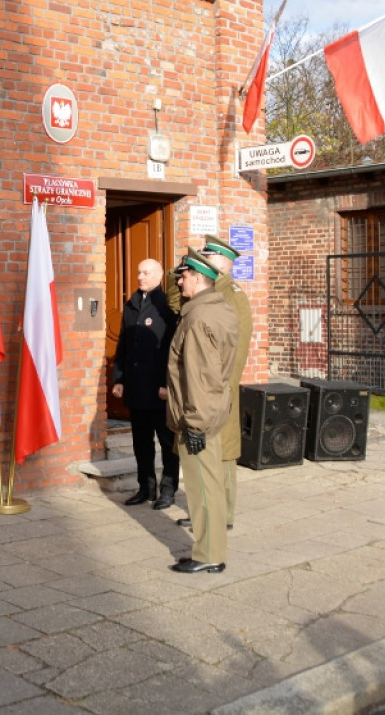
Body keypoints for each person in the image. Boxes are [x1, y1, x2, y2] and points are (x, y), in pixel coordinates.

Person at [166, 248, 238, 574]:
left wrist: (193, 423)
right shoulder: (217, 308)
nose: (179, 281)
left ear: (198, 278)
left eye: (183, 276)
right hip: (213, 411)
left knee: (203, 490)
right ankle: (210, 549)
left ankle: (209, 554)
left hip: (199, 416)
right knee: (211, 484)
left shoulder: (197, 319)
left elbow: (198, 376)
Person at [175, 235, 253, 531]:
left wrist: (223, 388)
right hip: (208, 387)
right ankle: (206, 512)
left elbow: (237, 348)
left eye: (206, 256)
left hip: (220, 387)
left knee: (224, 452)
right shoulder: (208, 291)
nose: (202, 259)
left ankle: (224, 515)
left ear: (219, 263)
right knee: (208, 453)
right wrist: (181, 270)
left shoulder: (232, 295)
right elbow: (175, 301)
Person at [111, 258, 179, 509]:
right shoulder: (131, 305)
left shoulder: (166, 306)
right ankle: (145, 488)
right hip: (136, 387)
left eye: (146, 273)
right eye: (139, 272)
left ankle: (168, 490)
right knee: (141, 442)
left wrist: (166, 384)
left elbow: (171, 350)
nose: (141, 277)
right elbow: (123, 346)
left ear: (160, 276)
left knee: (167, 442)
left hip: (158, 389)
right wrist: (119, 379)